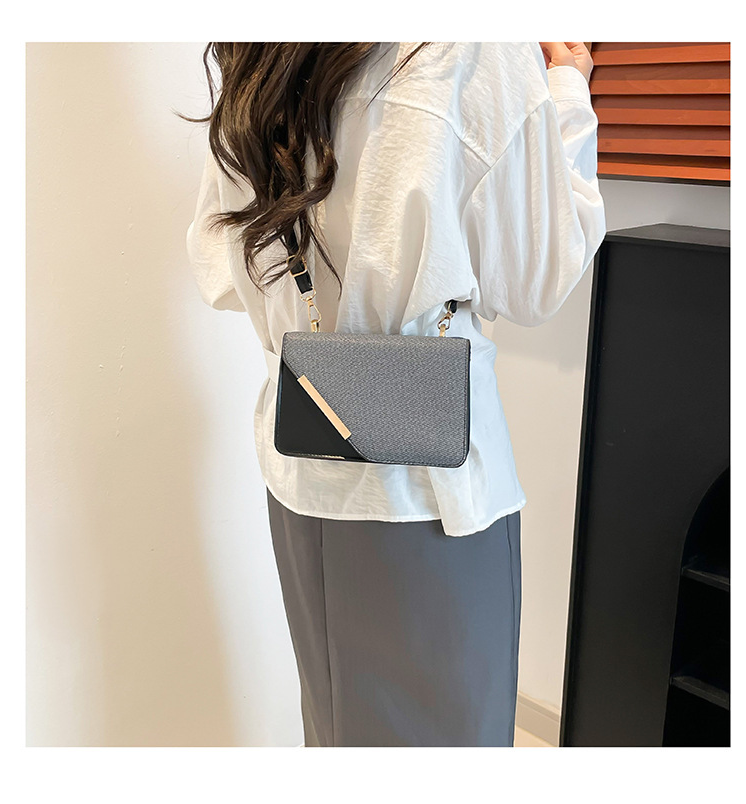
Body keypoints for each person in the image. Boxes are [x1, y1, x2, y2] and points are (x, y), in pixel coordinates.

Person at [186, 41, 606, 747]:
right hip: (431, 500)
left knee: (336, 726)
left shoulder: (255, 52)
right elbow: (537, 277)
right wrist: (567, 90)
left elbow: (221, 272)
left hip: (301, 474)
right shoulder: (476, 45)